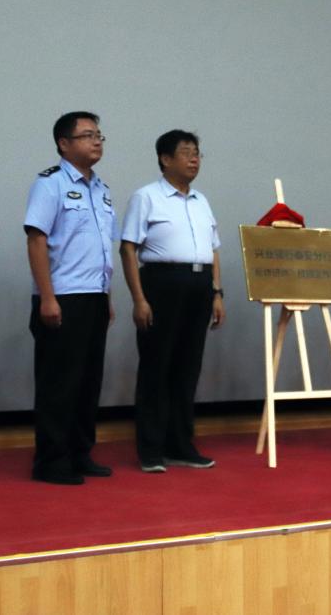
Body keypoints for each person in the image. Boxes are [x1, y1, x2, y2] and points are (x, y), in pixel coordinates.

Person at [120, 130, 226, 473]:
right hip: (161, 284)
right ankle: (151, 449)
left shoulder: (201, 201)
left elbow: (213, 250)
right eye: (186, 152)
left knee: (188, 368)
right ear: (165, 159)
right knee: (157, 367)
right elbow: (128, 248)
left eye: (197, 153)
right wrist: (139, 298)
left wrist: (217, 292)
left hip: (199, 285)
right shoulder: (146, 197)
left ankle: (180, 445)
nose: (194, 159)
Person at [24, 111, 117, 485]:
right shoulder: (50, 184)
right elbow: (36, 240)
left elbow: (101, 250)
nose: (96, 141)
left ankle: (80, 454)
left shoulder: (102, 189)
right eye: (87, 135)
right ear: (64, 143)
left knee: (88, 383)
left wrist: (107, 296)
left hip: (94, 297)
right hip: (62, 297)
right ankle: (51, 462)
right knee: (59, 384)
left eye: (99, 135)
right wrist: (47, 297)